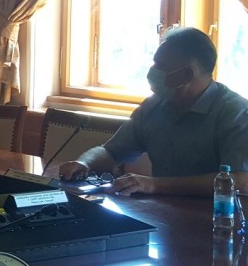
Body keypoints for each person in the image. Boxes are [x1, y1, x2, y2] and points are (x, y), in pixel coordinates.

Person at [59, 27, 248, 196]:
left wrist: (154, 185)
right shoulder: (154, 105)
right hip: (161, 211)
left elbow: (240, 180)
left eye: (160, 66)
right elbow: (111, 152)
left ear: (187, 74)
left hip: (215, 216)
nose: (152, 72)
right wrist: (84, 163)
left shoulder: (235, 113)